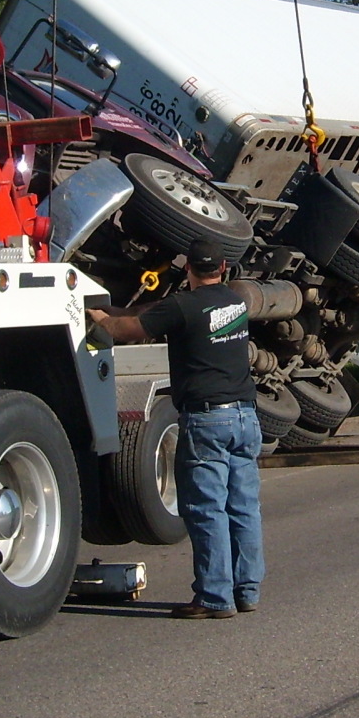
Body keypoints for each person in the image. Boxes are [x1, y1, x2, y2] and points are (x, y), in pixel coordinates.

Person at [88, 237, 262, 619]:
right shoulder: (235, 302)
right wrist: (117, 309)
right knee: (243, 506)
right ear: (223, 269)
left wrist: (97, 315)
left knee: (206, 509)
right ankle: (246, 590)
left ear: (188, 269)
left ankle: (216, 598)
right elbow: (158, 311)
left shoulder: (182, 306)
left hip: (208, 420)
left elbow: (125, 330)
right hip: (246, 418)